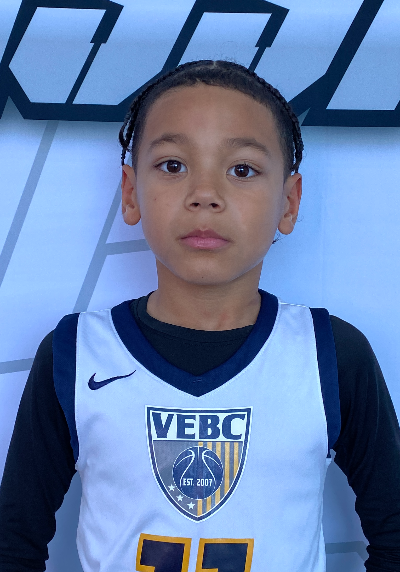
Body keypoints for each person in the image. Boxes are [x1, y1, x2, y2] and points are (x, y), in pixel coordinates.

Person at [0, 60, 399, 572]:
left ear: (289, 203)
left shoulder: (331, 354)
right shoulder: (76, 353)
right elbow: (14, 545)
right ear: (130, 192)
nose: (205, 195)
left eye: (242, 170)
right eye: (173, 165)